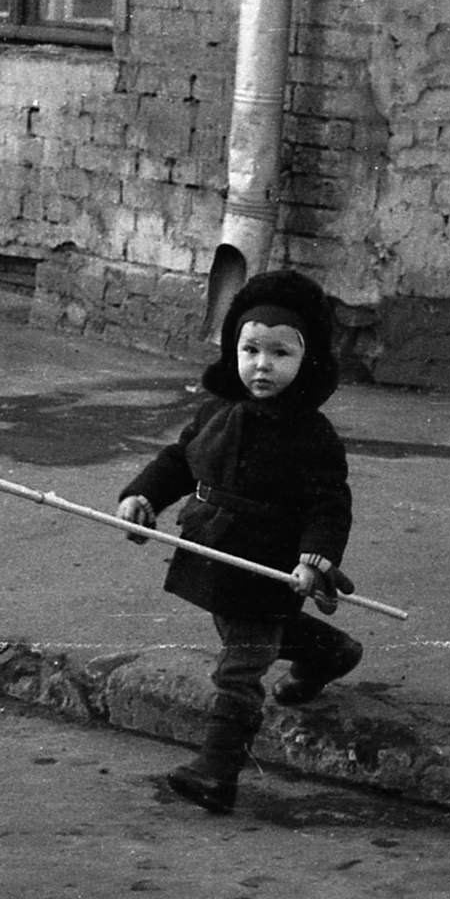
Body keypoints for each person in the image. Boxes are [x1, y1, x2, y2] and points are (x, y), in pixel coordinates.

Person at [115, 269, 364, 814]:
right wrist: (143, 497)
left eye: (280, 353)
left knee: (240, 666)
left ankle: (217, 771)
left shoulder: (311, 435)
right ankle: (331, 652)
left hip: (269, 560)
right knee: (247, 628)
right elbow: (179, 461)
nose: (262, 364)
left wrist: (316, 558)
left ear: (308, 361)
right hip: (213, 550)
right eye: (250, 349)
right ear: (233, 350)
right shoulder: (215, 413)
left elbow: (329, 503)